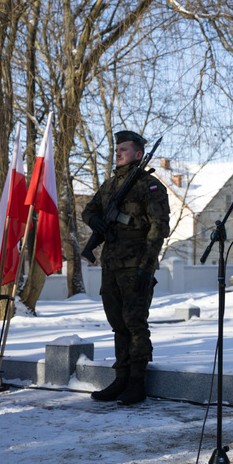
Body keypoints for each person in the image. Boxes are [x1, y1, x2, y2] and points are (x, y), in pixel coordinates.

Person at [82, 130, 170, 405]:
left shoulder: (149, 185)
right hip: (111, 263)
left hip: (136, 264)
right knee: (117, 323)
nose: (118, 153)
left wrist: (147, 267)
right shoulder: (110, 184)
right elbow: (89, 209)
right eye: (116, 149)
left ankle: (136, 381)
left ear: (139, 154)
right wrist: (94, 220)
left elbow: (159, 228)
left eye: (124, 149)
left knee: (135, 323)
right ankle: (120, 378)